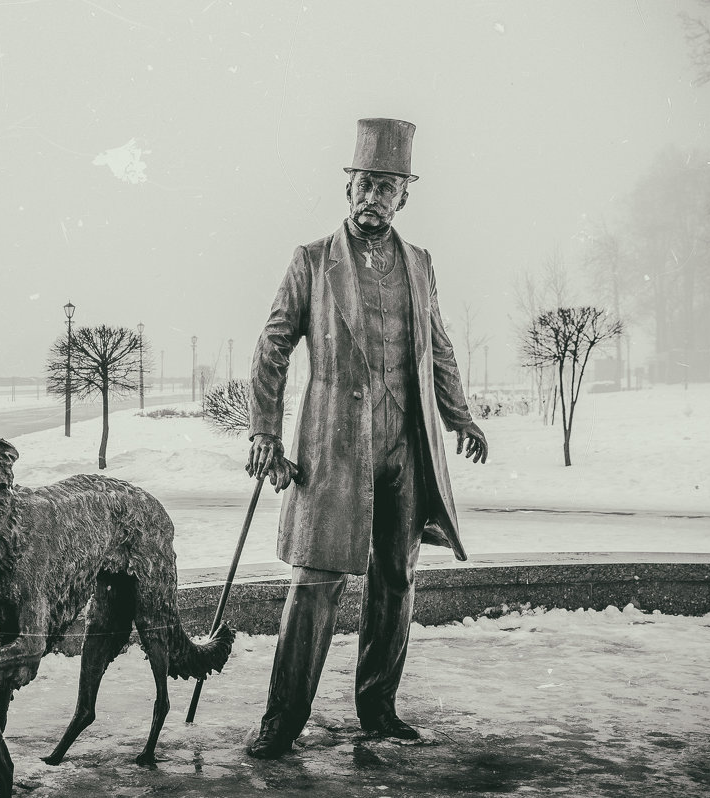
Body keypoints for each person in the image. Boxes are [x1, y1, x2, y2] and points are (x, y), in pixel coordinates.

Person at [245, 118, 488, 759]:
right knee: (316, 582)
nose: (374, 196)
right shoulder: (311, 261)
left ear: (403, 195)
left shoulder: (420, 264)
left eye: (387, 186)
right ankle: (282, 721)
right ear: (347, 187)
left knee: (396, 583)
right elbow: (272, 347)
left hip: (404, 447)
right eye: (365, 183)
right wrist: (265, 430)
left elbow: (437, 347)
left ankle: (378, 709)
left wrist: (458, 415)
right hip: (333, 446)